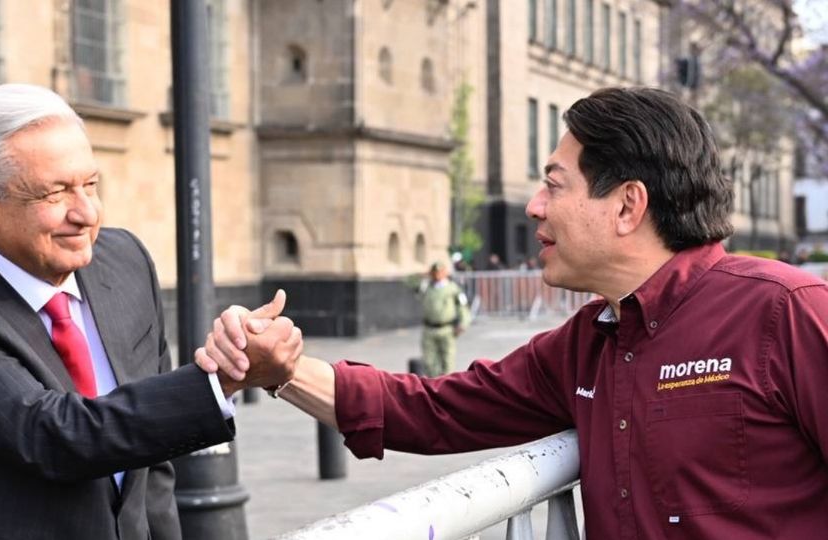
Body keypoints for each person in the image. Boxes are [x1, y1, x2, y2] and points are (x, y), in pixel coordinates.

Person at [198, 87, 828, 539]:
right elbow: (433, 408)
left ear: (628, 206)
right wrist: (278, 368)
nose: (533, 206)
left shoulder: (785, 314)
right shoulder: (588, 343)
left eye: (555, 184)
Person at [0, 84, 299, 539]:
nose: (87, 213)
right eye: (55, 193)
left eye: (90, 184)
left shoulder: (125, 260)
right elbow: (55, 436)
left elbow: (152, 467)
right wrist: (226, 377)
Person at [415, 261, 471, 376]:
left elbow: (463, 308)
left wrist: (463, 324)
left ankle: (445, 389)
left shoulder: (453, 289)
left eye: (440, 272)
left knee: (448, 362)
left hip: (447, 329)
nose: (437, 275)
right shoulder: (426, 288)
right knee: (429, 362)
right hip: (429, 329)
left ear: (445, 273)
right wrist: (421, 277)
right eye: (434, 272)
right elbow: (410, 283)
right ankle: (433, 387)